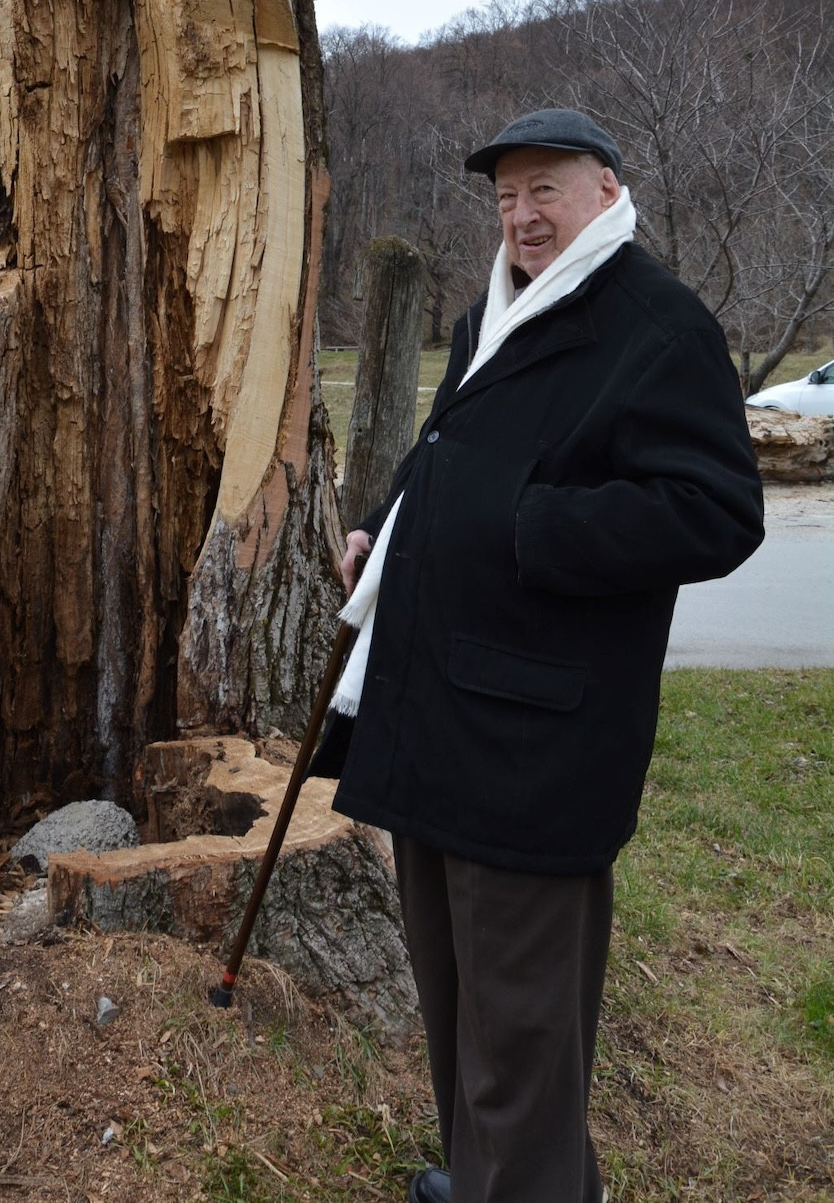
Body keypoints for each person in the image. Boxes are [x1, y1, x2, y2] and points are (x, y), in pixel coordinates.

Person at [312, 108, 763, 1203]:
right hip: (438, 709)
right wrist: (382, 520)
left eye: (544, 189)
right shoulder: (492, 313)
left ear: (605, 190)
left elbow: (714, 512)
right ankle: (482, 1181)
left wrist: (526, 527)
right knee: (455, 995)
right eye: (506, 195)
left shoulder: (656, 325)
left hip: (537, 735)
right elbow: (445, 454)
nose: (520, 214)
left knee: (522, 1025)